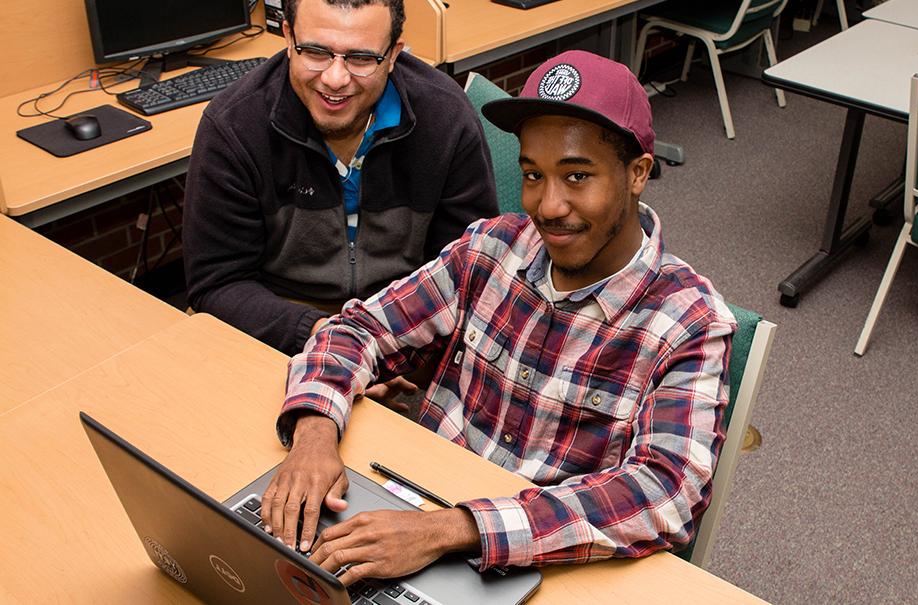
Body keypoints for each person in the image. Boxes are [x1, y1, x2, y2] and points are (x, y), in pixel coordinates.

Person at [262, 50, 737, 584]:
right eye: (533, 174)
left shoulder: (690, 321)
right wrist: (313, 436)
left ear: (637, 174)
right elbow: (359, 329)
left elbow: (664, 492)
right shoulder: (491, 248)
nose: (548, 205)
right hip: (409, 506)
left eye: (577, 176)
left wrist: (449, 530)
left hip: (534, 566)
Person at [182, 0, 498, 355]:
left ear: (394, 53)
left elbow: (466, 270)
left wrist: (391, 351)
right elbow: (217, 282)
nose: (335, 78)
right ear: (288, 38)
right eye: (315, 52)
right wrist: (328, 340)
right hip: (281, 328)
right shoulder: (234, 126)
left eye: (361, 58)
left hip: (408, 329)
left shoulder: (445, 118)